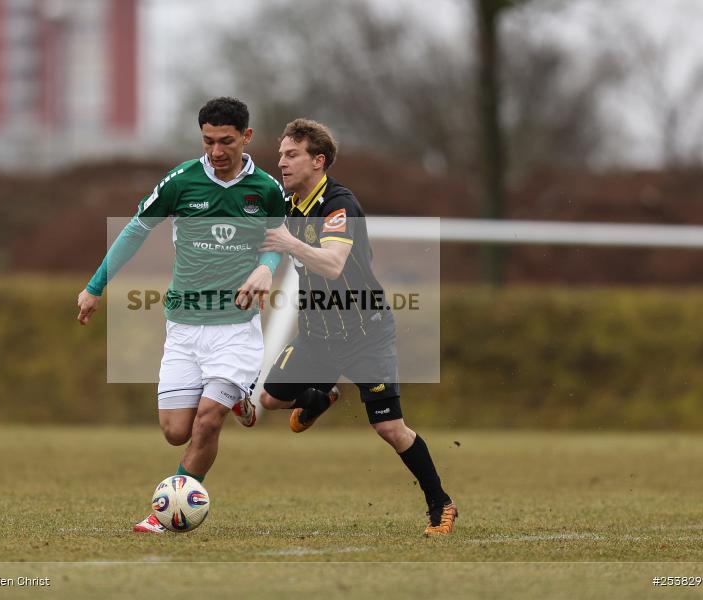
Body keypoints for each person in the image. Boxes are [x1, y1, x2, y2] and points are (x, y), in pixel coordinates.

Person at [77, 97, 287, 533]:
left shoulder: (266, 189)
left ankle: (168, 512)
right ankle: (239, 402)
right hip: (184, 326)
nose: (216, 151)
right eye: (208, 141)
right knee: (176, 430)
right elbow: (135, 230)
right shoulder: (181, 181)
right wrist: (95, 286)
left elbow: (276, 241)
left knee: (207, 422)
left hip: (235, 328)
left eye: (226, 141)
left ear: (246, 137)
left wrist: (265, 271)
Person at [258, 118, 457, 535]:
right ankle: (323, 395)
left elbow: (332, 265)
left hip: (365, 332)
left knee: (388, 426)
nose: (281, 163)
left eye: (291, 155)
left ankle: (441, 503)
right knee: (273, 400)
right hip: (317, 334)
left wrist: (287, 242)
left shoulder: (338, 203)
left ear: (319, 160)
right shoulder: (285, 202)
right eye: (280, 155)